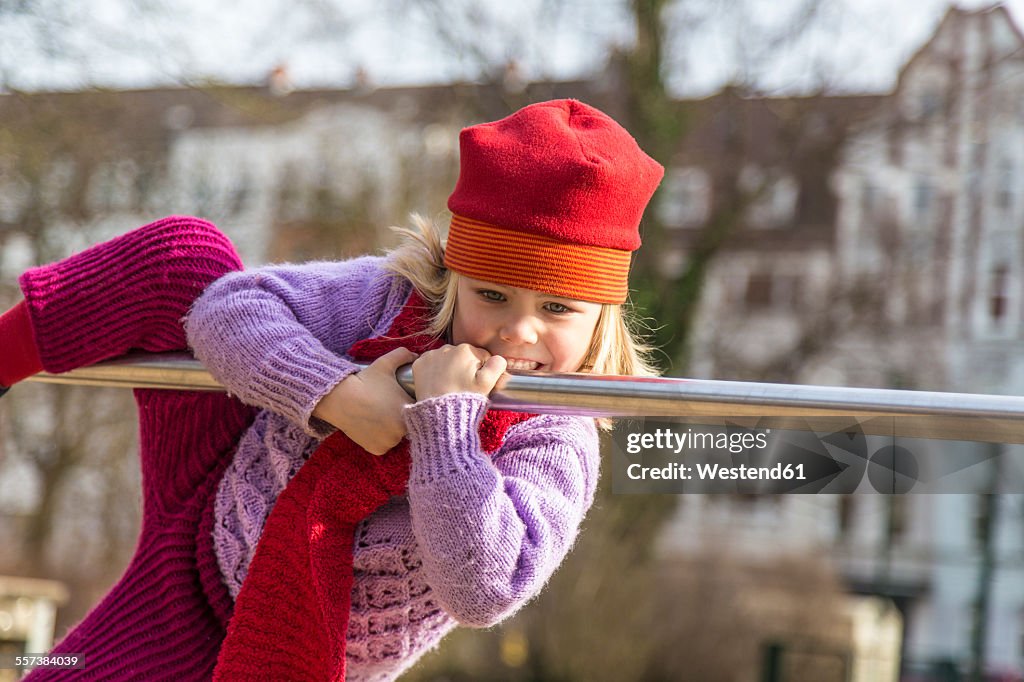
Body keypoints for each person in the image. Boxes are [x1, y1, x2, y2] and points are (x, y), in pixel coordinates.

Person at [0, 98, 663, 681]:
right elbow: (226, 310)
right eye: (492, 294)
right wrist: (338, 394)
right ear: (453, 276)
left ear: (601, 314)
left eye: (558, 309)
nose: (518, 331)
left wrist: (447, 424)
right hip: (207, 520)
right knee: (187, 255)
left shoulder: (555, 435)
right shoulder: (384, 299)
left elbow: (484, 588)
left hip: (295, 647)